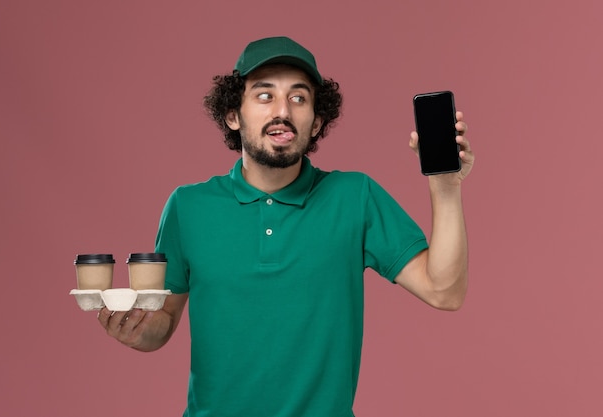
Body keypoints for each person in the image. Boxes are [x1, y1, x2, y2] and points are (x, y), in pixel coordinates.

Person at [98, 36, 474, 417]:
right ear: (233, 114)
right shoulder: (188, 206)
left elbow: (445, 292)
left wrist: (445, 188)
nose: (283, 111)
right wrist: (134, 328)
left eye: (299, 98)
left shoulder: (354, 196)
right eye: (264, 96)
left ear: (317, 121)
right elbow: (163, 323)